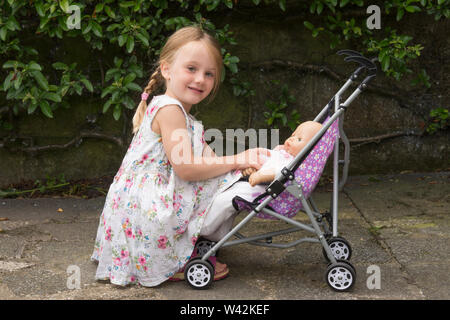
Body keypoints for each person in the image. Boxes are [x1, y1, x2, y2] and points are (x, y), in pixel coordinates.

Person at [91, 26, 270, 287]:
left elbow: (208, 161)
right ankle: (169, 260)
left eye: (209, 74)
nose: (200, 79)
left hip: (140, 200)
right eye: (191, 69)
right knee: (218, 185)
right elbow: (186, 168)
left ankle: (185, 242)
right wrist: (239, 159)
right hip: (146, 207)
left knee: (223, 180)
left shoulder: (182, 114)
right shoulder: (170, 110)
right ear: (166, 69)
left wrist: (243, 164)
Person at [200, 121, 322, 242]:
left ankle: (203, 229)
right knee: (224, 200)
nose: (291, 140)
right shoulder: (282, 152)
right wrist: (252, 168)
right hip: (250, 183)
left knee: (224, 201)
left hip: (260, 191)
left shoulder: (293, 163)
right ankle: (215, 236)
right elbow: (268, 159)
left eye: (299, 139)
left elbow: (279, 173)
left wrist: (261, 176)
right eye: (293, 135)